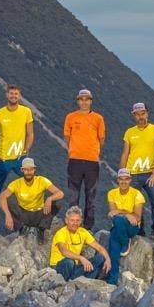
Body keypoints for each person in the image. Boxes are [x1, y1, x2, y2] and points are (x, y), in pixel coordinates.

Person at [0, 84, 34, 230]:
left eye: (16, 94)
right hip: (2, 160)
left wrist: (26, 150)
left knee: (32, 188)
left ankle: (31, 223)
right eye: (11, 94)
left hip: (20, 159)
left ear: (19, 96)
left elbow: (30, 133)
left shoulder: (26, 111)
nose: (14, 96)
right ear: (6, 95)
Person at [118, 102, 154, 236]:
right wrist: (122, 173)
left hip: (150, 174)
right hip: (132, 174)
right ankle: (139, 232)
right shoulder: (129, 132)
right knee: (135, 205)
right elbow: (125, 153)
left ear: (147, 113)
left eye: (143, 113)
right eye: (137, 114)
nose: (140, 116)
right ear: (134, 116)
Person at [63, 88, 105, 226]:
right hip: (74, 160)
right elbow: (67, 137)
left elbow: (101, 139)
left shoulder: (98, 118)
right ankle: (72, 223)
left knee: (90, 195)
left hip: (92, 161)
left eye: (87, 99)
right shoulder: (71, 117)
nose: (84, 102)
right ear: (78, 101)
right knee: (74, 195)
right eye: (81, 99)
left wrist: (93, 151)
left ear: (91, 101)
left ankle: (87, 226)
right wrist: (73, 151)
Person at [0, 157, 63, 240]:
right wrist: (7, 214)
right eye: (26, 170)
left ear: (34, 170)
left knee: (57, 202)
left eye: (31, 169)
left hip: (40, 212)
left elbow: (60, 193)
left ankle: (41, 229)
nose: (28, 172)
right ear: (22, 170)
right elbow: (1, 197)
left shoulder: (42, 180)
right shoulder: (16, 183)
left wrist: (49, 199)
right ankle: (21, 228)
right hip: (24, 213)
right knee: (8, 200)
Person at [104, 169, 146, 285]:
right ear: (117, 180)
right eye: (121, 179)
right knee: (113, 250)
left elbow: (137, 217)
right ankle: (112, 282)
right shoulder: (112, 193)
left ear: (130, 180)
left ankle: (125, 241)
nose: (123, 182)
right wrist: (127, 214)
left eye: (126, 179)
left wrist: (122, 213)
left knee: (118, 219)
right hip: (118, 227)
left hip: (131, 227)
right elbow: (112, 213)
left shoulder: (137, 194)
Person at [50, 206, 110, 281]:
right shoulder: (61, 233)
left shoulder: (83, 232)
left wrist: (108, 259)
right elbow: (64, 251)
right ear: (66, 221)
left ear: (81, 221)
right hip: (59, 266)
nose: (75, 223)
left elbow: (99, 248)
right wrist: (81, 258)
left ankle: (84, 281)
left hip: (75, 268)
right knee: (69, 262)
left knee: (100, 258)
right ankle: (72, 281)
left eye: (77, 220)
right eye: (72, 220)